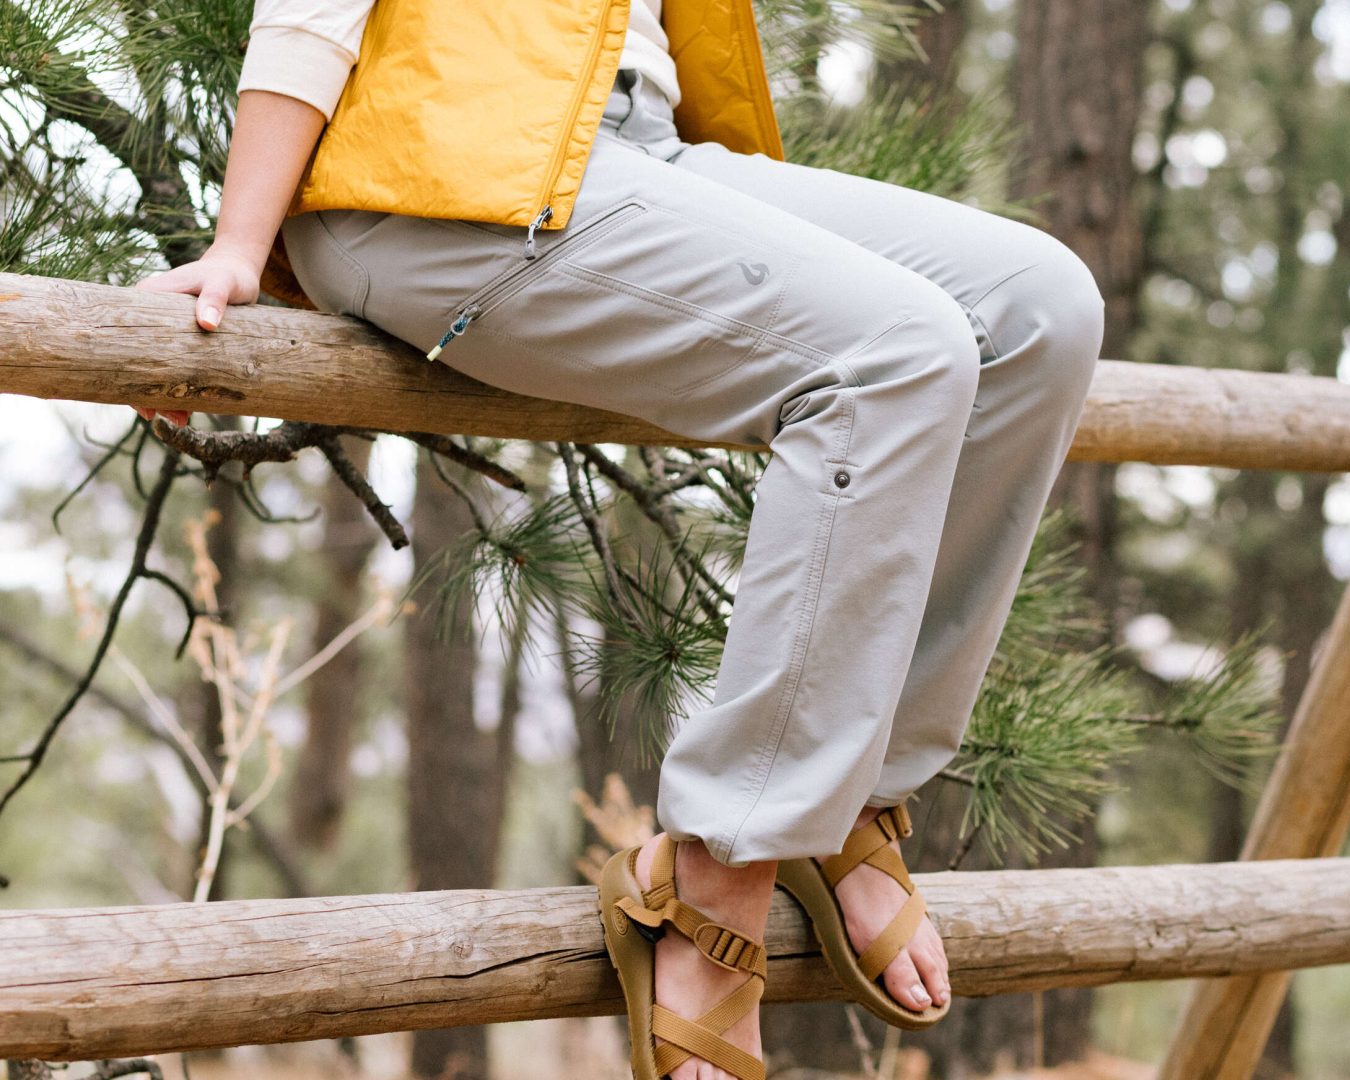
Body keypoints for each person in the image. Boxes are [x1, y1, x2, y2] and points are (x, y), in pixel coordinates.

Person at [134, 2, 1105, 1077]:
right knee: (898, 350)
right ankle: (723, 860)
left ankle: (853, 795)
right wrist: (239, 241)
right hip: (433, 174)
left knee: (1041, 308)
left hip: (646, 148)